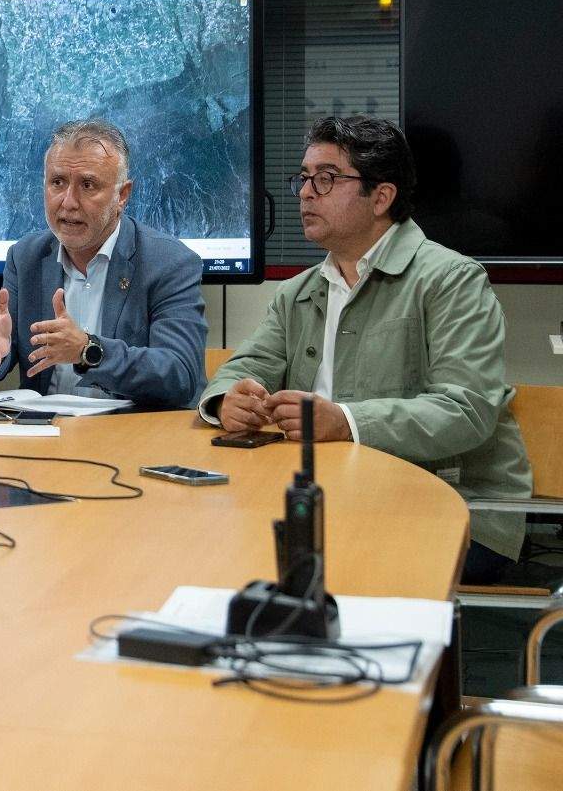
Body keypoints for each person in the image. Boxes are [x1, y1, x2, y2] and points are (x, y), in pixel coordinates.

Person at [200, 116, 532, 584]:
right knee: (214, 540)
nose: (305, 192)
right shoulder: (297, 292)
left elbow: (467, 409)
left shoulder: (452, 280)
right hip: (331, 493)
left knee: (305, 565)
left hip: (448, 503)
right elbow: (249, 364)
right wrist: (228, 398)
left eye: (326, 178)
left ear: (381, 197)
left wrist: (347, 422)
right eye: (303, 178)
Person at [0, 119, 207, 407]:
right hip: (46, 436)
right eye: (57, 182)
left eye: (88, 185)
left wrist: (88, 350)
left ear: (122, 195)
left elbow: (179, 374)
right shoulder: (25, 257)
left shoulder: (169, 263)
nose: (69, 202)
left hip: (133, 438)